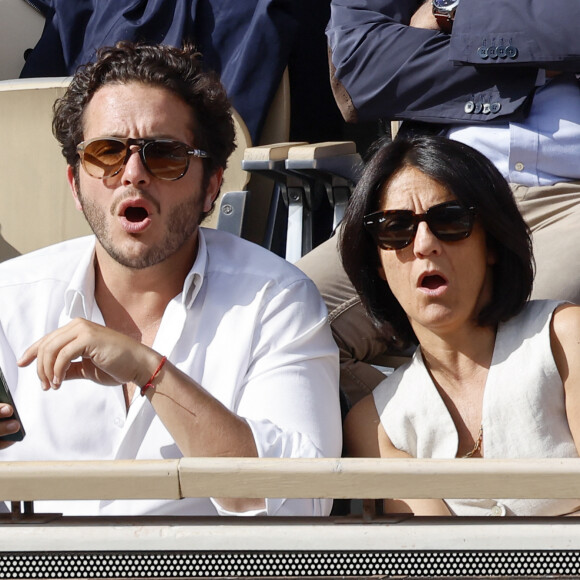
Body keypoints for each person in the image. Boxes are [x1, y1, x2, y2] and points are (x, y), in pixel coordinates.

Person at [0, 41, 342, 517]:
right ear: (76, 184)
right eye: (106, 152)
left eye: (163, 155)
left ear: (212, 186)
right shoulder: (7, 301)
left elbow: (300, 501)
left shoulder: (275, 300)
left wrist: (150, 372)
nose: (133, 174)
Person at [297, 0, 580, 407]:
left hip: (570, 199)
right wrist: (542, 61)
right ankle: (405, 453)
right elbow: (361, 67)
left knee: (526, 350)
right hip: (439, 189)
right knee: (284, 322)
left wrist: (454, 12)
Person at [340, 134, 580, 517]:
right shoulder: (376, 422)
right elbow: (436, 560)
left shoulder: (566, 339)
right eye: (396, 228)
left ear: (492, 244)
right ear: (378, 264)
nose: (423, 244)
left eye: (449, 220)